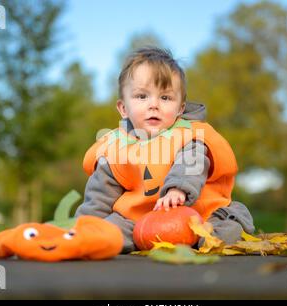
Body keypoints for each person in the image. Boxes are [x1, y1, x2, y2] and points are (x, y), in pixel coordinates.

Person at [75, 47, 255, 253]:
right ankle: (91, 239)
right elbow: (99, 195)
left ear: (180, 108)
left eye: (165, 98)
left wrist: (177, 189)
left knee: (222, 231)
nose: (154, 105)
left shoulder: (189, 134)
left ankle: (216, 234)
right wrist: (86, 227)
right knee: (109, 230)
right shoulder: (115, 149)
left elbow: (192, 162)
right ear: (123, 108)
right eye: (142, 96)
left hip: (202, 214)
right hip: (142, 221)